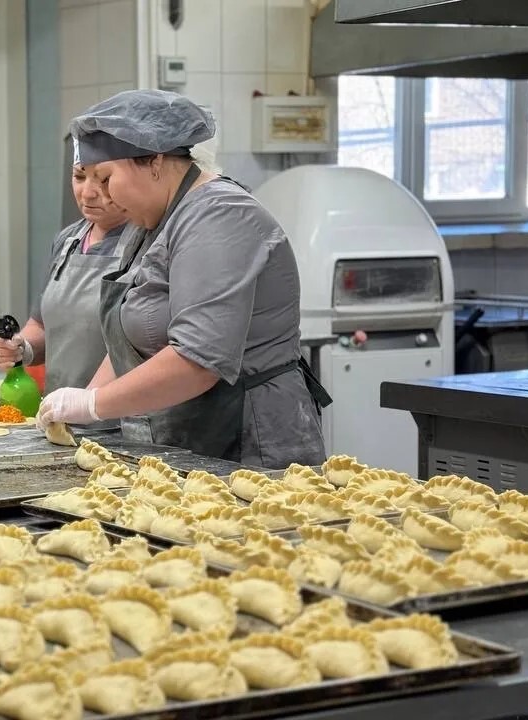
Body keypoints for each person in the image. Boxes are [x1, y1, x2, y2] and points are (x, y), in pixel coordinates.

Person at [37, 89, 329, 469]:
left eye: (106, 178)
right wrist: (83, 405)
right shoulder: (152, 222)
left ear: (154, 162)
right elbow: (128, 340)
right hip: (187, 440)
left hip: (248, 446)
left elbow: (197, 360)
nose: (101, 197)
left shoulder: (219, 216)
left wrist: (94, 404)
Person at [0, 154, 133, 395]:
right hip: (58, 408)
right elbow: (42, 325)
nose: (87, 193)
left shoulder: (148, 242)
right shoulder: (68, 240)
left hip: (117, 410)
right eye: (79, 176)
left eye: (104, 180)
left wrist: (90, 403)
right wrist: (20, 348)